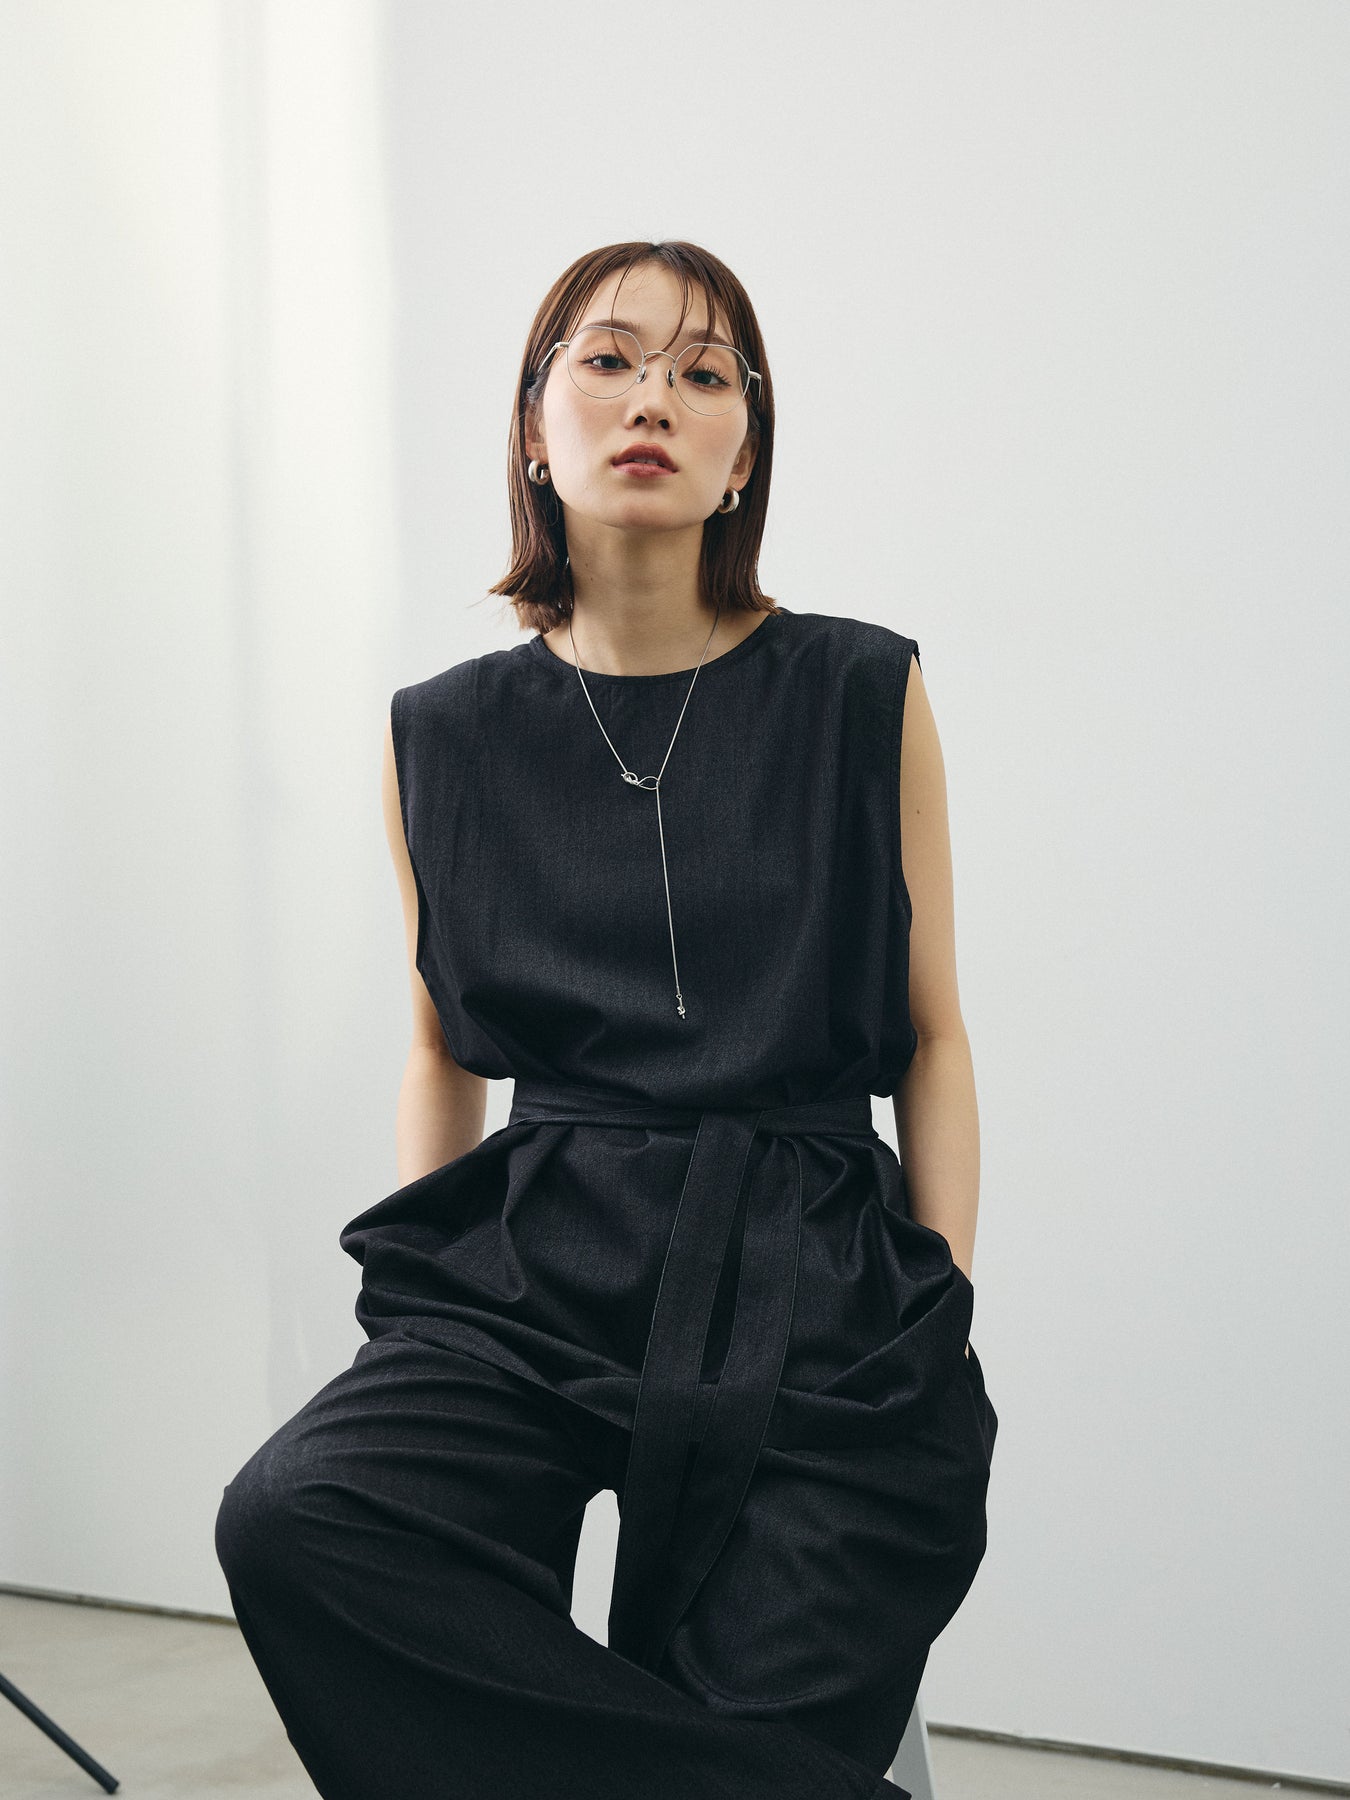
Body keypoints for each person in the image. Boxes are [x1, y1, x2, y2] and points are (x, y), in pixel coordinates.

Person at [214, 238, 997, 1800]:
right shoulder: (441, 731)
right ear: (531, 423)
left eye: (703, 375)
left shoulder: (858, 689)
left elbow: (932, 1037)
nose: (652, 399)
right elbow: (438, 1047)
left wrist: (938, 1300)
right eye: (610, 359)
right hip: (539, 1254)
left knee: (773, 1684)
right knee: (303, 1516)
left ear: (742, 455)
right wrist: (420, 1306)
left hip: (812, 1258)